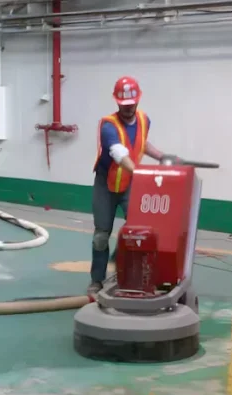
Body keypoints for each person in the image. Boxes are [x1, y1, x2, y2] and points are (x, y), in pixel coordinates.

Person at [89, 75, 170, 293]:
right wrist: (142, 173)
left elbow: (141, 143)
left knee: (138, 229)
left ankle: (134, 274)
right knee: (101, 236)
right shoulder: (108, 125)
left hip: (130, 184)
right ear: (117, 102)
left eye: (132, 104)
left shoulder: (144, 119)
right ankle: (97, 280)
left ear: (138, 100)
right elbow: (119, 153)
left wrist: (161, 156)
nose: (128, 108)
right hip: (106, 185)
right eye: (124, 104)